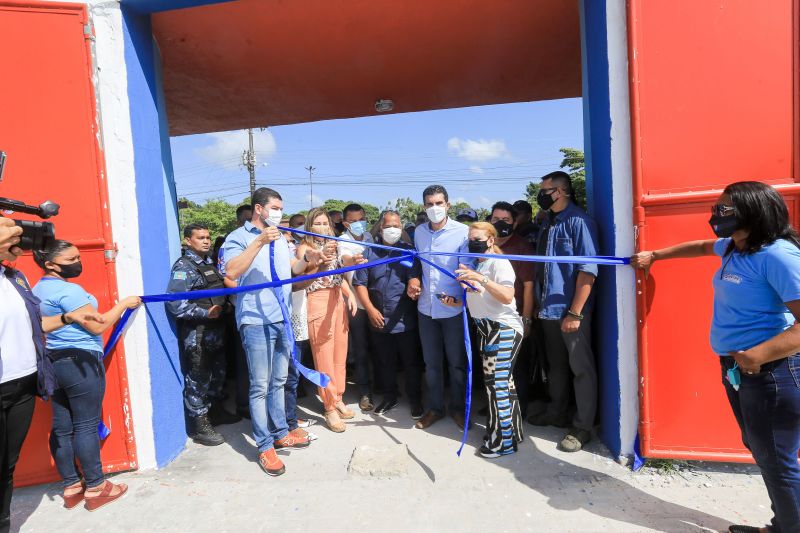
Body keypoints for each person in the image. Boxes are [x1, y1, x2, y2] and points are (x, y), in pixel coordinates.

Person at [632, 181, 800, 533]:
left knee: (776, 458)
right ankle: (783, 524)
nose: (715, 215)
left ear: (753, 212)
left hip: (773, 372)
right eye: (716, 208)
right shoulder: (735, 247)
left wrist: (756, 355)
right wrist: (656, 255)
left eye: (724, 210)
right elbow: (701, 246)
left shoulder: (777, 255)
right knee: (762, 450)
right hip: (743, 369)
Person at [0, 219, 104, 530]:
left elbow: (36, 326)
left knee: (7, 466)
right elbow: (99, 325)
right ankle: (95, 484)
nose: (19, 240)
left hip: (23, 381)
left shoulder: (15, 278)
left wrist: (67, 317)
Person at [31, 240, 142, 511]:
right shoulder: (68, 291)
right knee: (85, 425)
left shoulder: (37, 289)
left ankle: (71, 486)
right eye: (71, 259)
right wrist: (124, 304)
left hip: (54, 361)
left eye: (78, 256)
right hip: (80, 361)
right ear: (51, 264)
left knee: (62, 426)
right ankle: (96, 487)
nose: (78, 262)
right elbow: (97, 325)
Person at [223, 188, 326, 476]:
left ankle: (281, 432)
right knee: (260, 385)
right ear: (259, 209)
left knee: (279, 380)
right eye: (275, 207)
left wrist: (309, 260)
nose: (279, 212)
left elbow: (291, 268)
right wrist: (257, 242)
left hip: (281, 317)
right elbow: (231, 271)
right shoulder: (238, 238)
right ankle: (265, 445)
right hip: (255, 320)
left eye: (281, 208)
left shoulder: (281, 237)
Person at [528, 171, 599, 453]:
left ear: (561, 192)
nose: (541, 194)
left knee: (581, 369)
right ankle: (557, 412)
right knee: (555, 368)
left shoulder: (579, 222)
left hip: (570, 312)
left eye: (545, 189)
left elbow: (588, 270)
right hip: (547, 309)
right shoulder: (549, 222)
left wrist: (576, 313)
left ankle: (583, 427)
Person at [441, 222, 524, 457]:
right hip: (485, 328)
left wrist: (481, 279)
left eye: (477, 238)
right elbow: (480, 299)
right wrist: (456, 301)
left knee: (497, 386)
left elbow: (507, 296)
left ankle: (503, 442)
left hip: (502, 328)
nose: (472, 242)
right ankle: (510, 430)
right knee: (503, 384)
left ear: (490, 240)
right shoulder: (479, 263)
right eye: (470, 238)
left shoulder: (499, 263)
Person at [166, 223, 239, 447]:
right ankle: (199, 425)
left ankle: (215, 411)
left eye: (208, 237)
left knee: (218, 374)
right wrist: (205, 313)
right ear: (188, 241)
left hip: (216, 332)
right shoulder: (183, 267)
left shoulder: (208, 264)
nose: (206, 241)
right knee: (198, 379)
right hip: (197, 333)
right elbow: (174, 303)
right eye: (200, 238)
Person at [407, 185, 470, 431]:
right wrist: (413, 279)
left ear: (448, 205)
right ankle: (435, 408)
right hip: (426, 309)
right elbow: (415, 262)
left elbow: (468, 269)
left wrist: (461, 297)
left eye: (439, 203)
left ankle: (458, 408)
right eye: (430, 204)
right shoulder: (419, 233)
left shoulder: (463, 232)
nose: (435, 208)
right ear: (424, 207)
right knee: (431, 364)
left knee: (456, 364)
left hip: (453, 309)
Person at [354, 211, 423, 417]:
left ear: (401, 228)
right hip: (378, 317)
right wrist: (371, 309)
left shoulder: (408, 251)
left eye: (396, 225)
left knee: (411, 362)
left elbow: (415, 276)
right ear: (380, 228)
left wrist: (414, 284)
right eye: (388, 226)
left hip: (404, 318)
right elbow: (360, 284)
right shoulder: (369, 252)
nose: (392, 229)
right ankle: (390, 396)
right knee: (384, 361)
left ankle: (415, 399)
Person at [296, 208, 358, 432]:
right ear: (309, 226)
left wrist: (349, 294)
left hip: (336, 299)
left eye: (325, 224)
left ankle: (338, 396)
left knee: (340, 353)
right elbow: (305, 275)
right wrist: (321, 256)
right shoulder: (305, 248)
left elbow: (338, 275)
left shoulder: (335, 244)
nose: (322, 228)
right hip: (317, 300)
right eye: (317, 224)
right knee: (323, 356)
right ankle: (329, 407)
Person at [490, 202, 535, 418]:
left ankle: (519, 410)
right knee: (493, 366)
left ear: (515, 222)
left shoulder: (522, 247)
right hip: (489, 316)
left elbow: (528, 286)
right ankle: (497, 406)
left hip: (513, 316)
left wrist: (526, 320)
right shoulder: (485, 246)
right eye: (496, 219)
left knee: (516, 368)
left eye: (506, 220)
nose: (500, 224)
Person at [338, 203, 375, 411]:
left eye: (361, 220)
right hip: (354, 304)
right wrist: (354, 260)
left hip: (374, 301)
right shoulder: (342, 241)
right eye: (353, 221)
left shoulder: (371, 238)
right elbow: (344, 260)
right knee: (360, 349)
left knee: (377, 347)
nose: (358, 224)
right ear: (345, 223)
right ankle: (364, 392)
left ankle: (381, 386)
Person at [219, 204, 252, 419]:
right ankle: (244, 405)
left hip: (264, 309)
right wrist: (252, 293)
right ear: (239, 222)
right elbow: (228, 277)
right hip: (242, 308)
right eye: (248, 220)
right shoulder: (232, 243)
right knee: (245, 363)